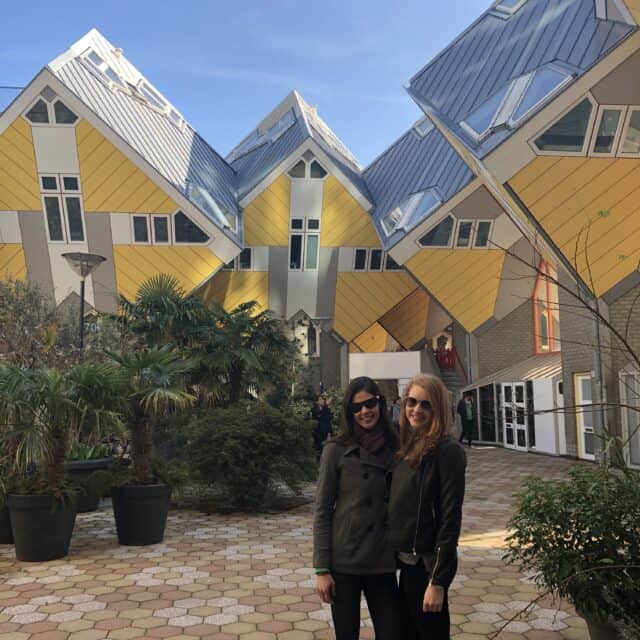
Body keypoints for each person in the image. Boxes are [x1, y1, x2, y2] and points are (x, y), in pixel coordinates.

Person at [313, 377, 405, 640]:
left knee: (392, 633)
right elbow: (321, 511)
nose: (365, 411)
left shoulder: (397, 447)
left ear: (380, 403)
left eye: (369, 403)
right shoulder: (336, 450)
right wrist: (321, 569)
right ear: (349, 413)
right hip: (345, 561)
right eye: (357, 407)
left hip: (383, 559)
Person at [388, 373, 466, 640]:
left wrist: (438, 581)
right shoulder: (408, 446)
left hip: (427, 565)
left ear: (438, 408)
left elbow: (450, 518)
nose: (416, 409)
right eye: (412, 401)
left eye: (425, 404)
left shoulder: (447, 451)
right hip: (408, 562)